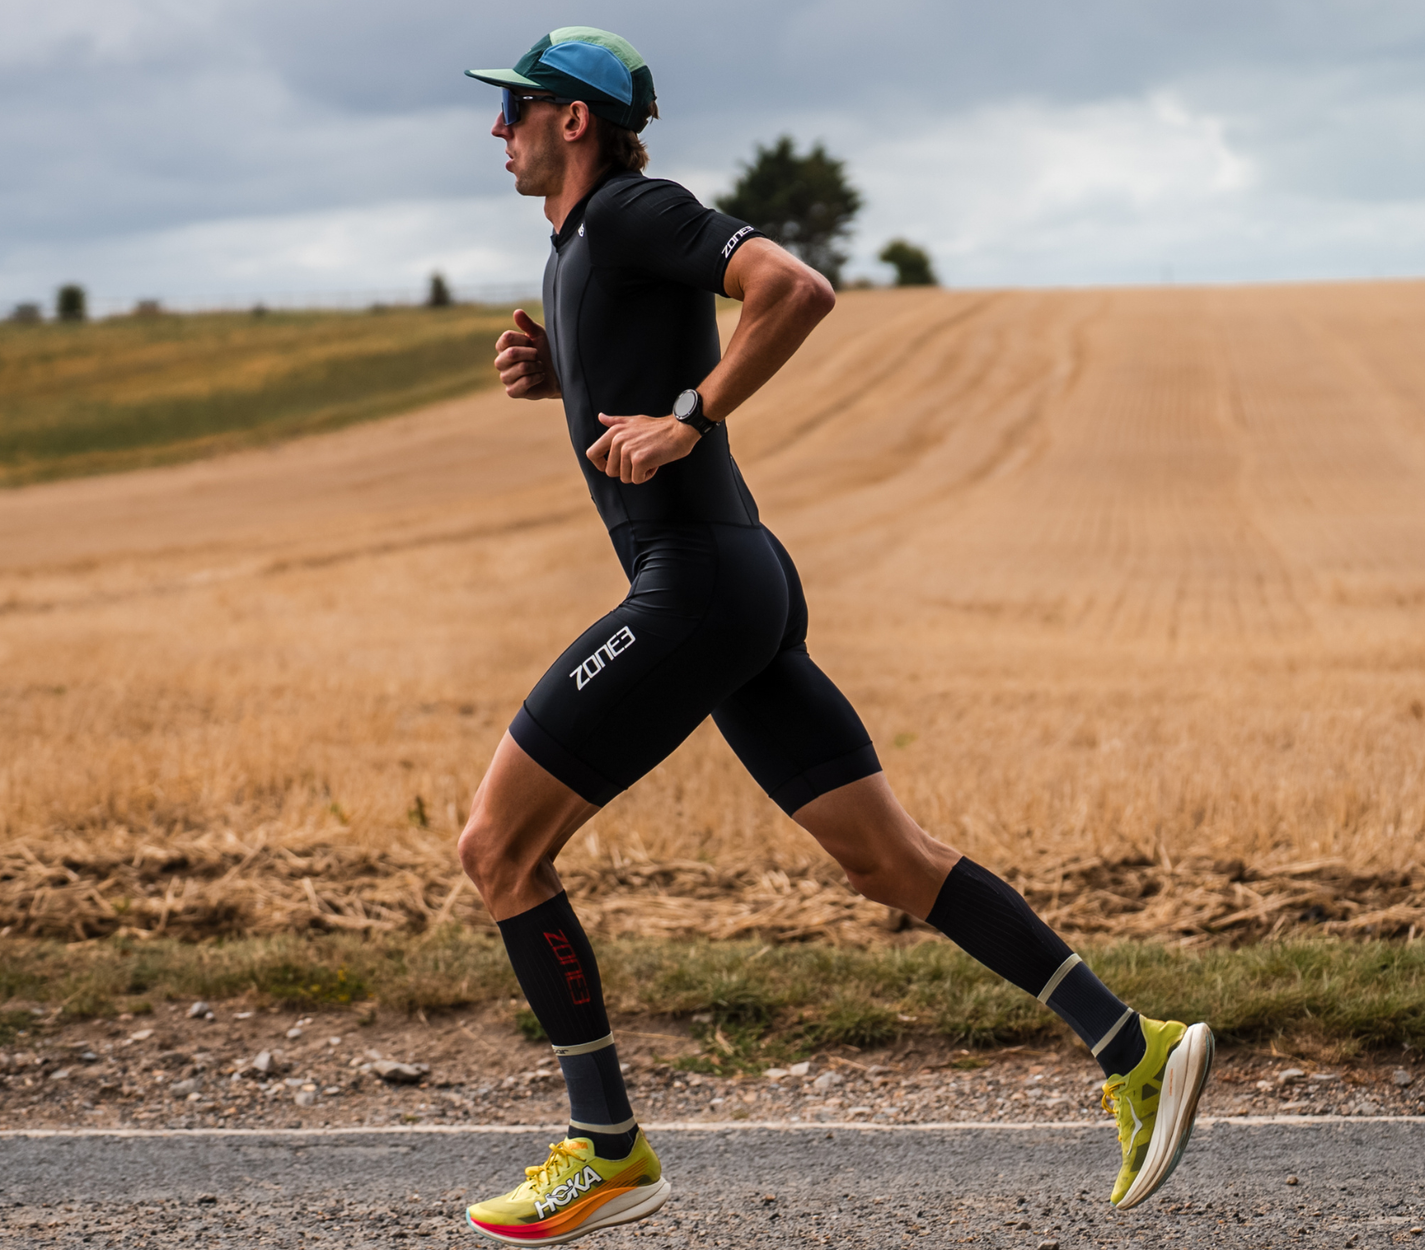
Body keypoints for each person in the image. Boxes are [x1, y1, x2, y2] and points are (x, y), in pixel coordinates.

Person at [455, 27, 1213, 1245]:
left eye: (519, 111)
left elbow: (794, 288)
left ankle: (606, 1149)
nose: (500, 131)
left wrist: (691, 416)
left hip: (694, 583)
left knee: (497, 848)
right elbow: (646, 366)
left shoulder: (637, 210)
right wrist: (570, 377)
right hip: (737, 583)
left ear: (576, 120)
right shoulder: (581, 248)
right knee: (889, 860)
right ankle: (1137, 1047)